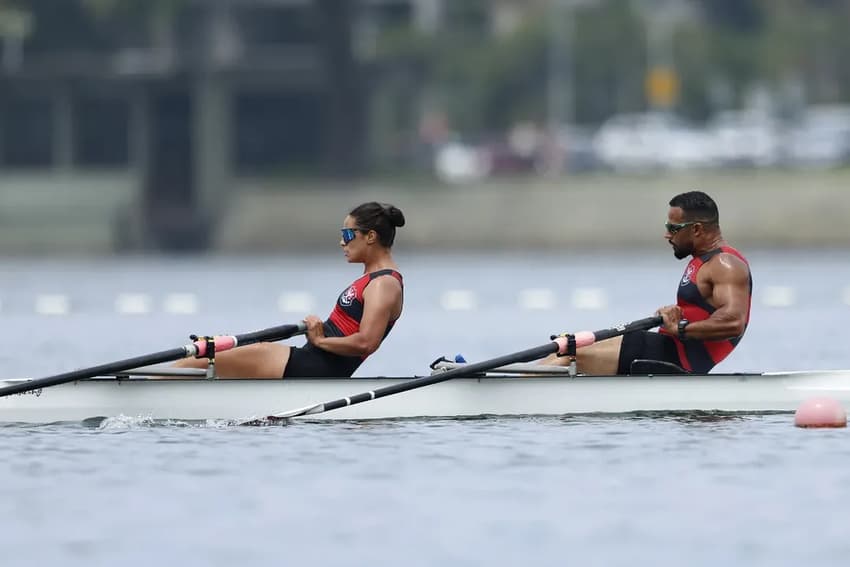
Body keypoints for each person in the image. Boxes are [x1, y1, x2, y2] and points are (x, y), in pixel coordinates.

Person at [175, 202, 406, 378]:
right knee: (206, 353)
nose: (342, 242)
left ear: (371, 237)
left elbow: (366, 343)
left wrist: (320, 341)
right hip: (311, 360)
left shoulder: (383, 284)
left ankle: (147, 389)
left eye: (347, 235)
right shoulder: (372, 280)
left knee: (196, 361)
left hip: (317, 368)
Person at [543, 190, 752, 375]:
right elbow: (705, 310)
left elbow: (733, 322)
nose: (667, 234)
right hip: (666, 348)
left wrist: (680, 328)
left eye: (673, 227)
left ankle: (518, 400)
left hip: (675, 358)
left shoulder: (725, 265)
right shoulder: (705, 262)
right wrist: (677, 315)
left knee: (568, 355)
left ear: (696, 229)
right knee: (565, 348)